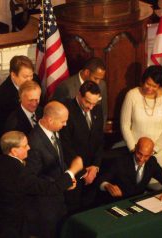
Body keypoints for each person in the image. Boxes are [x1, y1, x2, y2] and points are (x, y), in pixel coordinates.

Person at [0, 131, 83, 238]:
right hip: (13, 228)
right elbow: (49, 188)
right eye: (25, 146)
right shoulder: (18, 172)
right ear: (14, 151)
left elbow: (29, 185)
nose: (29, 148)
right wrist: (72, 171)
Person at [26, 101, 79, 238]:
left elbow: (58, 162)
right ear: (50, 119)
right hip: (44, 208)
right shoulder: (34, 142)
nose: (65, 124)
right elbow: (34, 181)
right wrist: (71, 172)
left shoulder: (53, 132)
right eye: (63, 121)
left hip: (57, 202)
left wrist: (66, 181)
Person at [120, 65, 162, 187]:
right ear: (143, 80)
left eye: (154, 86)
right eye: (148, 84)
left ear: (160, 85)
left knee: (157, 186)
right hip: (137, 152)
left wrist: (153, 150)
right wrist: (134, 149)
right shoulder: (132, 95)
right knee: (135, 186)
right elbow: (125, 125)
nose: (150, 88)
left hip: (159, 152)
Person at [60, 80, 104, 213]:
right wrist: (84, 172)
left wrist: (95, 167)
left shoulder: (97, 109)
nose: (91, 107)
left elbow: (99, 140)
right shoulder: (66, 110)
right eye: (87, 102)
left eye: (94, 103)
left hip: (93, 173)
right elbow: (65, 146)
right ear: (79, 94)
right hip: (75, 174)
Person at [97, 137, 162, 202]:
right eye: (139, 154)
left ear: (151, 153)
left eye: (146, 156)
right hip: (118, 201)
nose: (141, 159)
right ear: (135, 148)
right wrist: (107, 185)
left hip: (139, 201)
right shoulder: (120, 161)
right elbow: (101, 179)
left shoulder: (151, 162)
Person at [0, 55, 36, 155]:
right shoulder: (2, 97)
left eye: (31, 76)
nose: (30, 80)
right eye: (25, 77)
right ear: (13, 75)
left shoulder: (34, 82)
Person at [52, 57, 108, 123]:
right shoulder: (66, 87)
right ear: (87, 72)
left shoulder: (102, 85)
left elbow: (103, 113)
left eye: (100, 79)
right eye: (95, 78)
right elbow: (58, 115)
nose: (98, 82)